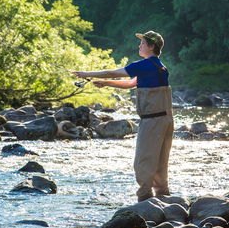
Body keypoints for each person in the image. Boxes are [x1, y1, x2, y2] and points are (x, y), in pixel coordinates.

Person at [72, 30, 174, 201]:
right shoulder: (159, 66)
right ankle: (163, 196)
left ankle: (145, 198)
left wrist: (86, 74)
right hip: (166, 119)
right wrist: (105, 84)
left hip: (152, 121)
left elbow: (111, 72)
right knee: (160, 160)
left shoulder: (143, 65)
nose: (139, 45)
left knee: (143, 160)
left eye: (142, 43)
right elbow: (131, 84)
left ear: (150, 47)